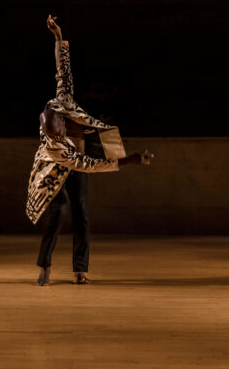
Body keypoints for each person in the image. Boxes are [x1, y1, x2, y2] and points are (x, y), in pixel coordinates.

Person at [26, 15, 152, 285]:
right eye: (55, 135)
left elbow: (63, 69)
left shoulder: (63, 101)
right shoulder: (57, 147)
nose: (59, 135)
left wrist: (59, 37)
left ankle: (80, 268)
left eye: (59, 130)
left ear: (60, 116)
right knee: (58, 212)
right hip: (55, 169)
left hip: (79, 159)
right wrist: (128, 160)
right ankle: (45, 265)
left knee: (81, 212)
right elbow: (86, 164)